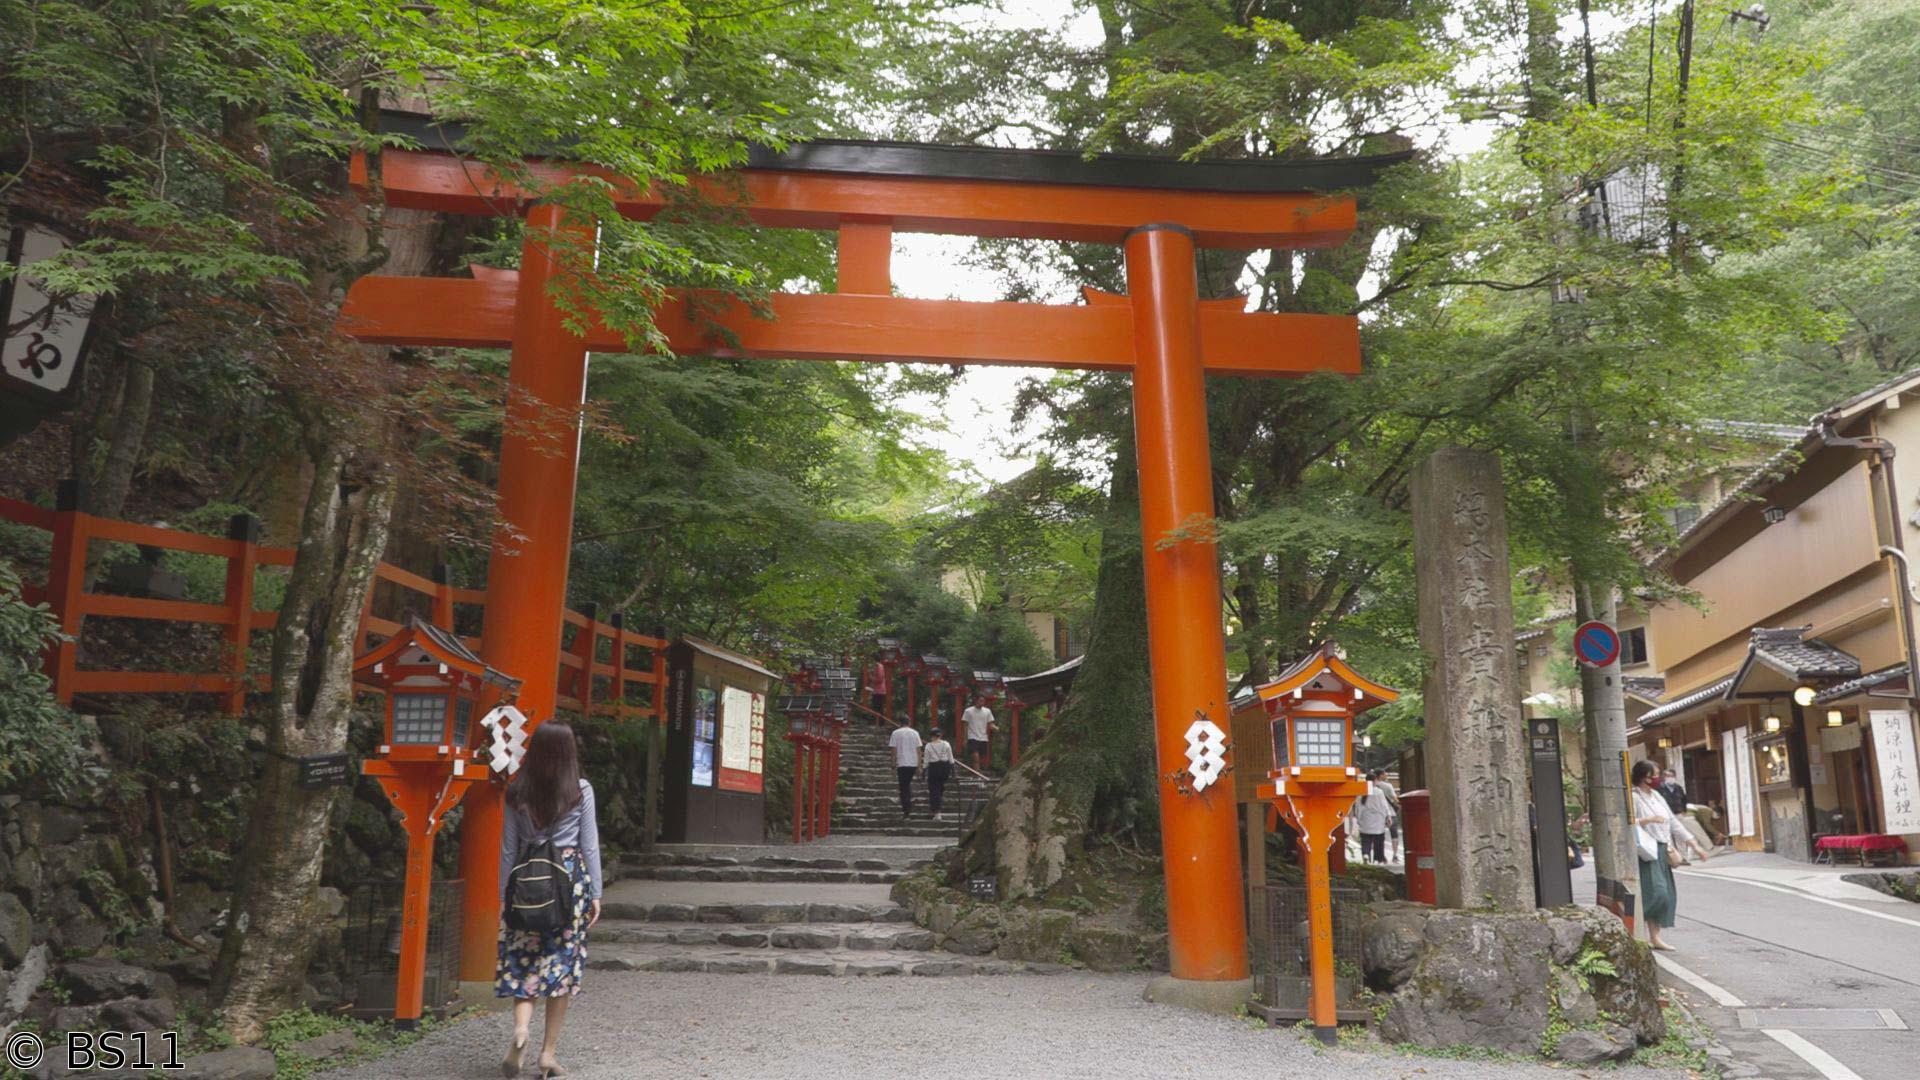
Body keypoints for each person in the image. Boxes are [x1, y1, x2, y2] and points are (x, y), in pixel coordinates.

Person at [497, 722, 602, 1078]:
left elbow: (509, 848)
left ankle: (521, 1030)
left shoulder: (517, 790)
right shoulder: (580, 790)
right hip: (568, 881)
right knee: (561, 967)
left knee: (525, 960)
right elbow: (589, 845)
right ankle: (548, 1054)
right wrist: (597, 893)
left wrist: (503, 895)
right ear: (569, 752)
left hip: (526, 878)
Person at [1631, 759, 1678, 951]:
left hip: (1662, 847)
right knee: (1656, 892)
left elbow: (1672, 820)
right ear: (1644, 777)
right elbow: (1629, 821)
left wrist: (1691, 842)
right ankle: (1638, 931)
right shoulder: (1634, 797)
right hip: (1646, 850)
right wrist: (1648, 819)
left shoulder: (1657, 796)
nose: (1658, 778)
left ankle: (1655, 936)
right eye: (1655, 774)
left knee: (1666, 894)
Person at [1351, 770, 1394, 864]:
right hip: (1378, 819)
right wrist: (1388, 816)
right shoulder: (1379, 792)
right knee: (1378, 839)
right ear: (1374, 781)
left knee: (1366, 839)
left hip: (1365, 818)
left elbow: (1357, 806)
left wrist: (1358, 818)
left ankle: (1366, 854)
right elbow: (1384, 805)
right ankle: (1377, 858)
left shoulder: (1361, 791)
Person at [889, 715, 922, 817]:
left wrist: (893, 766)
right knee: (906, 785)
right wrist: (919, 766)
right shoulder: (915, 733)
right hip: (912, 763)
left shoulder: (895, 733)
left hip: (902, 763)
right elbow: (919, 751)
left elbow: (893, 750)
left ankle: (906, 808)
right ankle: (908, 805)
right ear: (909, 722)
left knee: (904, 786)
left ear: (900, 723)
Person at [923, 727, 955, 815]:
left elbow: (926, 760)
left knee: (934, 788)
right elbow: (951, 758)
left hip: (934, 768)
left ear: (932, 736)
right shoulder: (946, 744)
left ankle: (937, 809)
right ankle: (936, 807)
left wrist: (924, 771)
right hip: (945, 767)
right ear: (940, 735)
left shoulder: (928, 746)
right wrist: (953, 771)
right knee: (940, 787)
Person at [960, 695, 995, 772]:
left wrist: (995, 727)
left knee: (981, 757)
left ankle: (977, 770)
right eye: (980, 700)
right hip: (972, 736)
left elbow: (990, 723)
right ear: (976, 701)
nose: (982, 702)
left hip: (983, 737)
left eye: (983, 701)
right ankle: (977, 772)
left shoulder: (987, 711)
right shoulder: (968, 711)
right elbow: (965, 725)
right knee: (975, 756)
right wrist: (965, 739)